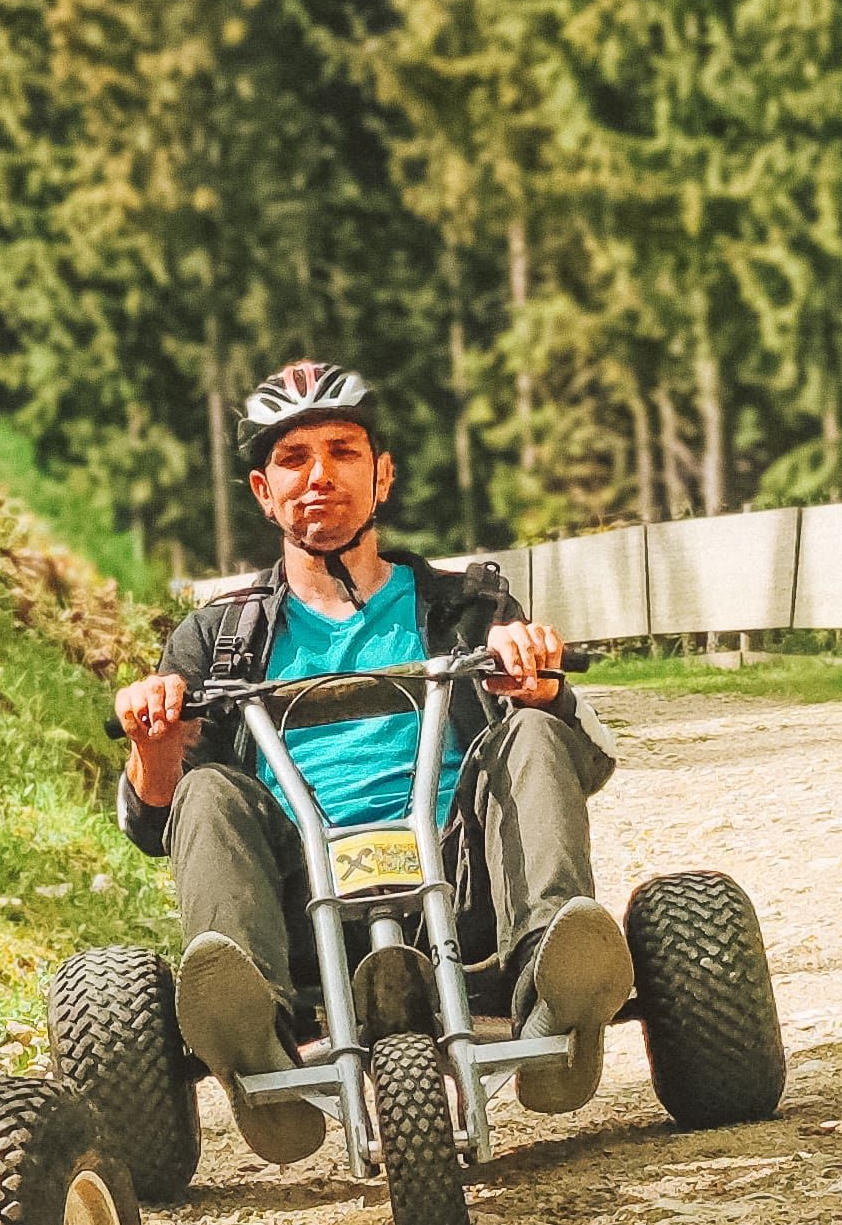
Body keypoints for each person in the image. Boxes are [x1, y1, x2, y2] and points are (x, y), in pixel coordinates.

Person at [111, 357, 624, 1163]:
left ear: (381, 475)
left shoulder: (470, 610)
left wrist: (539, 690)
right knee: (207, 786)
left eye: (343, 452)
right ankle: (257, 1046)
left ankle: (556, 998)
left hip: (462, 880)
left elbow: (580, 763)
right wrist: (154, 744)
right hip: (296, 903)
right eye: (293, 458)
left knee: (526, 733)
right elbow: (152, 822)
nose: (319, 476)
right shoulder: (216, 642)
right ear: (262, 490)